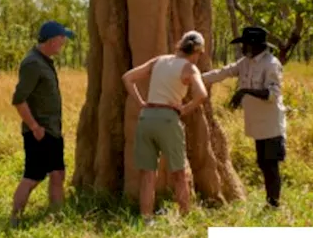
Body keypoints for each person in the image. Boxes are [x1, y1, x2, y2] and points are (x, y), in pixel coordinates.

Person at [121, 30, 209, 221]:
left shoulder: (159, 60)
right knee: (178, 172)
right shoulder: (189, 68)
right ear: (197, 52)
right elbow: (202, 94)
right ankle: (185, 218)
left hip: (146, 118)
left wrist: (141, 103)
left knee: (147, 173)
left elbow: (127, 77)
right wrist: (185, 109)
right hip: (168, 119)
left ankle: (146, 218)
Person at [201, 26, 288, 208]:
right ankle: (271, 201)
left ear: (255, 45)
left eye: (245, 44)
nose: (242, 48)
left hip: (271, 123)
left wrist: (244, 91)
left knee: (270, 165)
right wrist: (197, 78)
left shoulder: (271, 64)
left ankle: (274, 204)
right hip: (256, 123)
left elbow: (273, 94)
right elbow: (223, 72)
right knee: (262, 163)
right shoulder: (245, 62)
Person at [9, 20, 75, 227]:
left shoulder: (44, 61)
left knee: (58, 173)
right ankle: (15, 219)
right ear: (53, 40)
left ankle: (57, 217)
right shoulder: (32, 63)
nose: (64, 43)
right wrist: (35, 127)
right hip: (39, 131)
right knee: (33, 176)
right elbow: (19, 99)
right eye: (62, 39)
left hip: (52, 130)